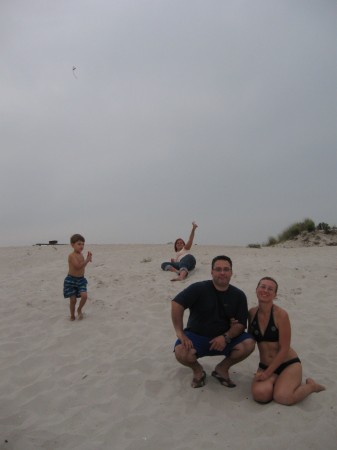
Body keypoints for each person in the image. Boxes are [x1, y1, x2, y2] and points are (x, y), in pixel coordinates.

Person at [171, 255, 255, 388]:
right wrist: (180, 333)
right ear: (212, 272)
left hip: (224, 339)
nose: (222, 273)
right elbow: (177, 304)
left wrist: (226, 337)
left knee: (249, 343)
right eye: (218, 269)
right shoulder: (199, 288)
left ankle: (221, 369)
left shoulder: (239, 295)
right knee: (181, 352)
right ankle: (198, 371)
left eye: (226, 269)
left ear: (231, 272)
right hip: (197, 336)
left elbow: (240, 324)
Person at [248, 277, 325, 405]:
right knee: (261, 395)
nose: (265, 290)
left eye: (270, 289)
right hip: (265, 364)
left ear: (275, 295)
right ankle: (278, 380)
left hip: (288, 364)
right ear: (256, 289)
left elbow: (284, 348)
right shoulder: (251, 313)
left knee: (283, 397)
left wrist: (267, 374)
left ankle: (311, 386)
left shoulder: (281, 315)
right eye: (262, 286)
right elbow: (249, 339)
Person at [63, 234, 92, 321]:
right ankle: (72, 315)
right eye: (79, 244)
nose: (81, 246)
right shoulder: (71, 256)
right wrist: (86, 260)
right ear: (72, 245)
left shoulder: (81, 255)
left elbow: (82, 266)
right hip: (71, 280)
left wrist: (87, 259)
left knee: (84, 296)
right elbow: (77, 266)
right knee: (73, 300)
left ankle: (79, 309)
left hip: (81, 279)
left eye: (83, 244)